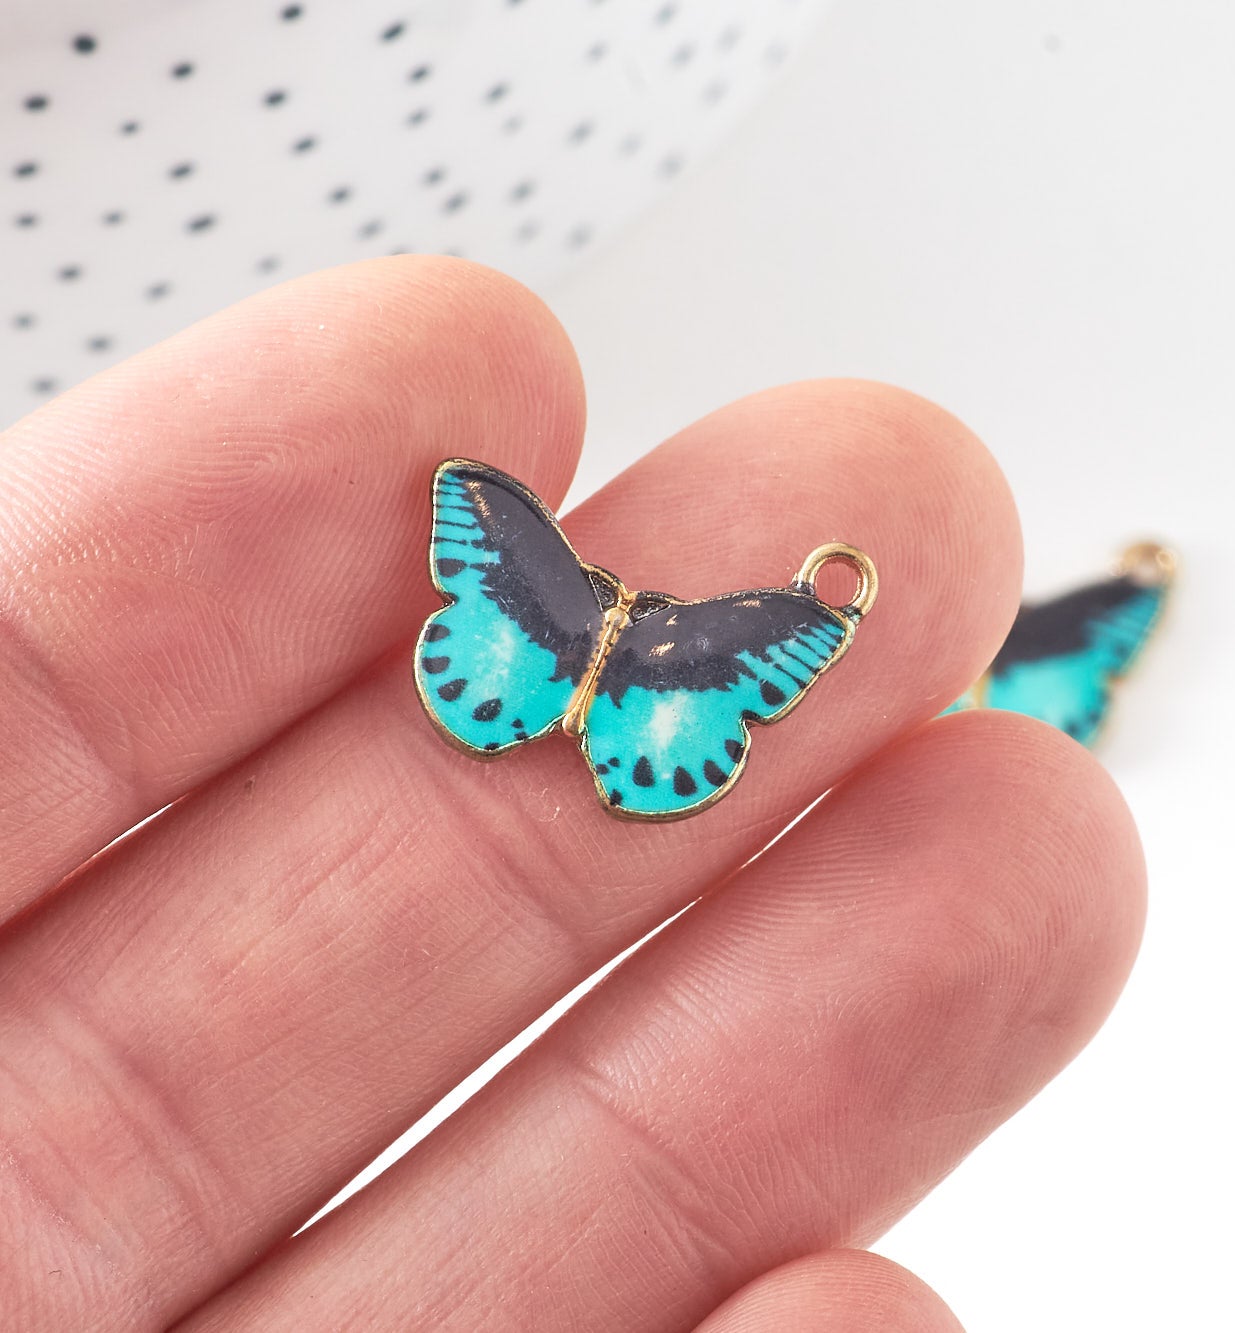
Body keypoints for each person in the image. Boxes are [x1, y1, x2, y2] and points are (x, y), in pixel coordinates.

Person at [0, 257, 1147, 1332]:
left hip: (521, 657)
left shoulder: (521, 544)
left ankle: (538, 692)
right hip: (650, 705)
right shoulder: (702, 627)